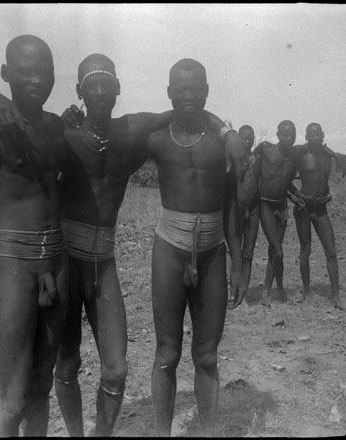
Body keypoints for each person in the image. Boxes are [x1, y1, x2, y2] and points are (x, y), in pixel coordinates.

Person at [0, 53, 241, 437]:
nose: (101, 92)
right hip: (66, 259)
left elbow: (187, 110)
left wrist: (230, 131)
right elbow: (12, 123)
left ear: (119, 90)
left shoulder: (131, 133)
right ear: (80, 92)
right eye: (92, 85)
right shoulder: (61, 134)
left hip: (104, 260)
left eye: (108, 84)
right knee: (66, 365)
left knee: (116, 370)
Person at [0, 35, 69, 436]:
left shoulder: (58, 128)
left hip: (56, 264)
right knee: (13, 400)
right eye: (27, 72)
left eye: (47, 72)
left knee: (41, 391)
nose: (39, 80)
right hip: (11, 266)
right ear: (7, 73)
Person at [146, 58, 246, 437]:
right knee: (167, 354)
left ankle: (206, 433)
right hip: (169, 249)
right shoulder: (155, 138)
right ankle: (161, 433)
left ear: (207, 91)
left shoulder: (222, 144)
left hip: (212, 250)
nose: (188, 95)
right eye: (180, 89)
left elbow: (234, 205)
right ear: (169, 92)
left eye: (195, 88)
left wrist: (238, 264)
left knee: (205, 355)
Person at [288, 122, 346, 309]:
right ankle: (307, 292)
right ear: (306, 137)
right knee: (306, 250)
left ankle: (336, 296)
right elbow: (285, 180)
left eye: (319, 134)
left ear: (322, 135)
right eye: (312, 135)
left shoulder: (327, 154)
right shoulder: (301, 154)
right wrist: (298, 197)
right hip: (304, 208)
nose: (316, 138)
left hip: (321, 208)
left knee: (331, 251)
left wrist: (340, 161)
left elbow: (331, 153)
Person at [254, 120, 305, 307]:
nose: (288, 138)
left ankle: (279, 289)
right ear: (278, 135)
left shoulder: (294, 157)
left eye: (292, 134)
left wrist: (296, 196)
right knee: (278, 250)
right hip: (265, 205)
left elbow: (286, 182)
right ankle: (268, 292)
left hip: (281, 206)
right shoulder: (266, 149)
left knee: (275, 252)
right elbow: (249, 165)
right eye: (285, 134)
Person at [227, 125, 261, 310]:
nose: (247, 141)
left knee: (248, 253)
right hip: (237, 208)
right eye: (244, 138)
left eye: (250, 138)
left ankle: (243, 295)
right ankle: (233, 292)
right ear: (239, 139)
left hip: (254, 208)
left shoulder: (259, 159)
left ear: (254, 139)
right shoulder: (232, 159)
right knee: (236, 254)